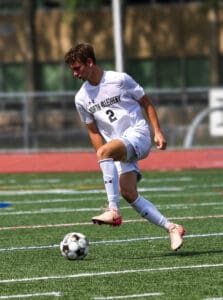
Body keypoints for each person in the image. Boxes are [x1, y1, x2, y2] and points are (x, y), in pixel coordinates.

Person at [64, 42, 185, 251]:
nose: (74, 74)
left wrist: (157, 131)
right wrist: (104, 157)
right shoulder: (81, 98)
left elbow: (146, 102)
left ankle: (113, 211)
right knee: (129, 193)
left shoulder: (119, 79)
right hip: (118, 147)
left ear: (90, 62)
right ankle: (172, 227)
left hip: (138, 135)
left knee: (107, 155)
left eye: (77, 68)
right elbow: (93, 131)